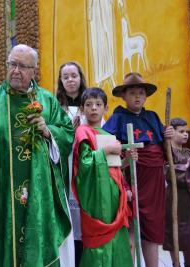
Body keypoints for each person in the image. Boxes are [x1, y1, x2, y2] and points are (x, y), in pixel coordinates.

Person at [0, 44, 74, 266]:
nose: (15, 71)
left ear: (34, 70)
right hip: (2, 192)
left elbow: (68, 132)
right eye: (12, 64)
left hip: (38, 193)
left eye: (22, 66)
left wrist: (48, 130)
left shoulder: (48, 100)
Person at [102, 72, 174, 267]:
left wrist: (168, 136)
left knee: (152, 230)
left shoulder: (153, 117)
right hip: (130, 180)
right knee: (130, 228)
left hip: (154, 184)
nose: (137, 97)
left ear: (146, 96)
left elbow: (166, 152)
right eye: (132, 92)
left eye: (141, 93)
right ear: (123, 96)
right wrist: (124, 161)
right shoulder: (117, 118)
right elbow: (107, 150)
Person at [72, 87, 133, 267]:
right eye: (89, 105)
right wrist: (105, 151)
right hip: (97, 198)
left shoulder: (108, 135)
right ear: (82, 109)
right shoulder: (83, 132)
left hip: (113, 196)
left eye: (98, 104)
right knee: (100, 240)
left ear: (105, 108)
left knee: (117, 238)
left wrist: (128, 159)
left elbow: (115, 169)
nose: (93, 108)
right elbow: (84, 165)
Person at [56, 61, 87, 266]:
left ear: (80, 78)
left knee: (85, 217)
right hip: (63, 167)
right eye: (65, 77)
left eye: (74, 75)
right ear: (60, 81)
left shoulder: (91, 102)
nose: (70, 80)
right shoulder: (55, 106)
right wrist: (68, 131)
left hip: (85, 166)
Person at [163, 118, 190, 267]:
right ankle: (175, 263)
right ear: (172, 132)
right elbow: (169, 172)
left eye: (186, 131)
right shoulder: (167, 151)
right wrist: (187, 169)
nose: (185, 134)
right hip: (174, 198)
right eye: (181, 131)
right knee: (173, 230)